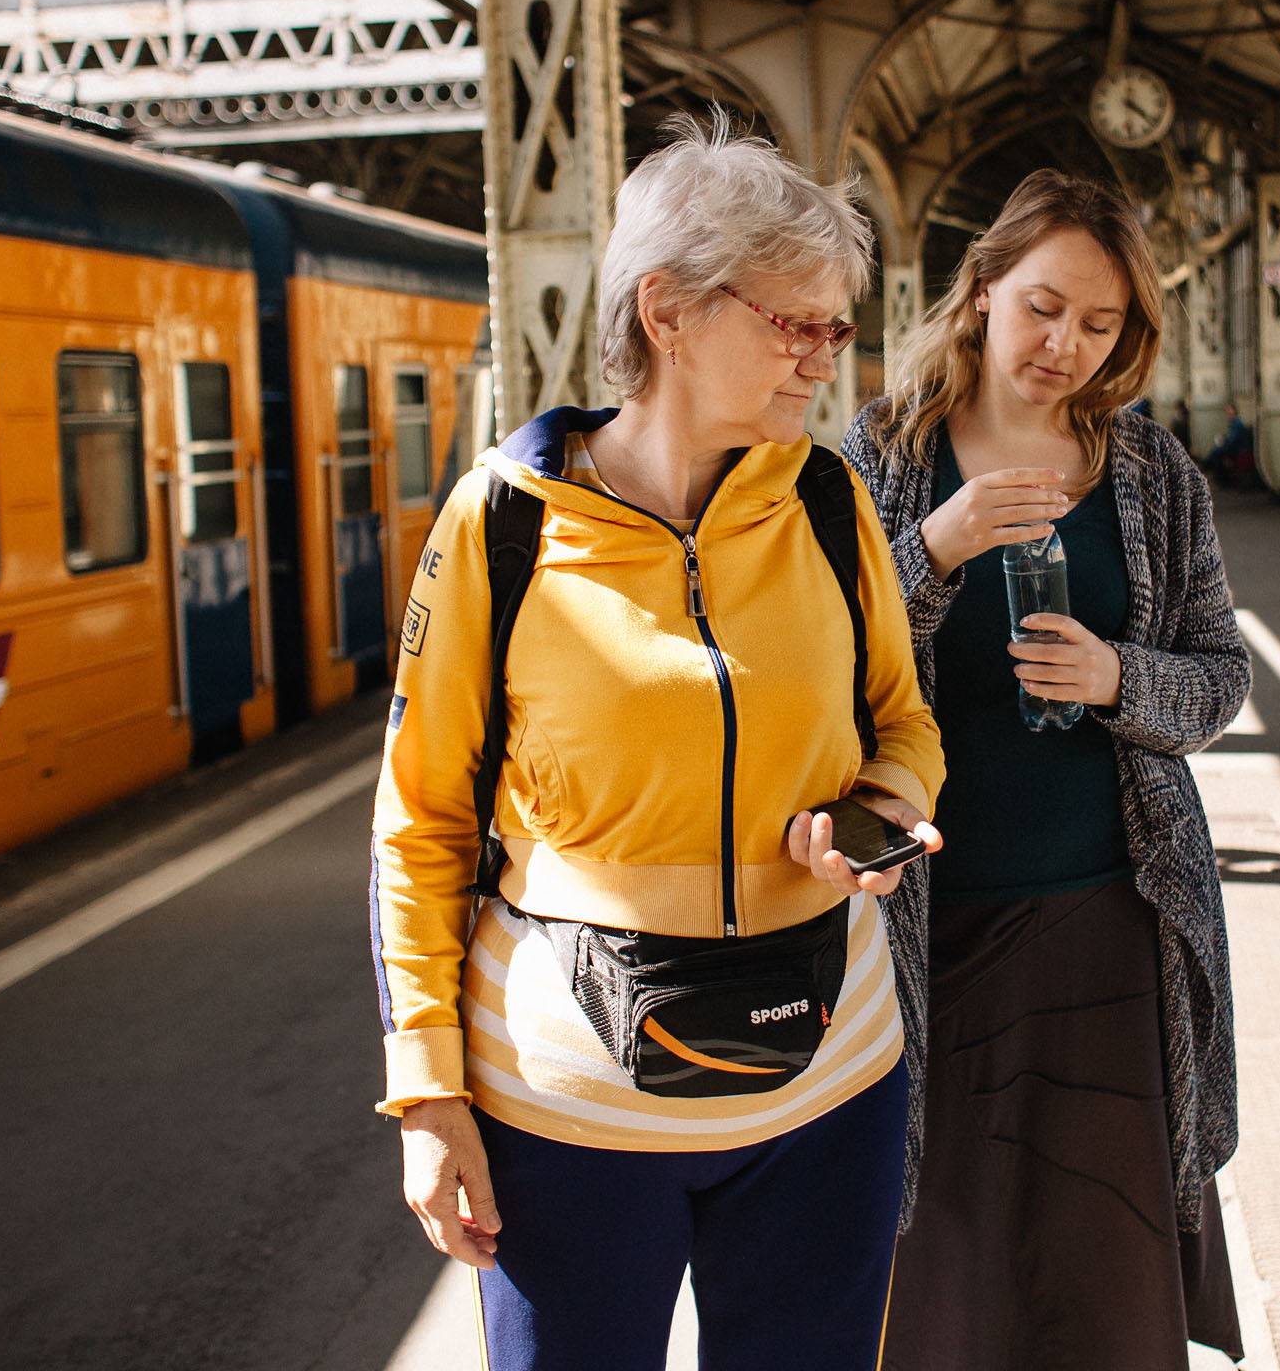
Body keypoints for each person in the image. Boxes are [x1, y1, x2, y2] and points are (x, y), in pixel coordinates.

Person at [371, 117, 946, 1371]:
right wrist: (427, 1094)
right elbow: (419, 822)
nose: (822, 361)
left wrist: (884, 810)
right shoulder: (503, 528)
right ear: (668, 311)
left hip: (827, 1091)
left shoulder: (832, 503)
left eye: (835, 327)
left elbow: (903, 720)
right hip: (567, 1116)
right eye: (792, 323)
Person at [843, 169, 1250, 1371]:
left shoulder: (1152, 473)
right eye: (1043, 306)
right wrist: (936, 547)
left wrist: (1121, 678)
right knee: (944, 1271)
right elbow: (825, 663)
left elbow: (1220, 676)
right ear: (981, 293)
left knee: (1099, 1266)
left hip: (1110, 923)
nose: (1065, 343)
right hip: (930, 931)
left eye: (1100, 322)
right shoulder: (888, 450)